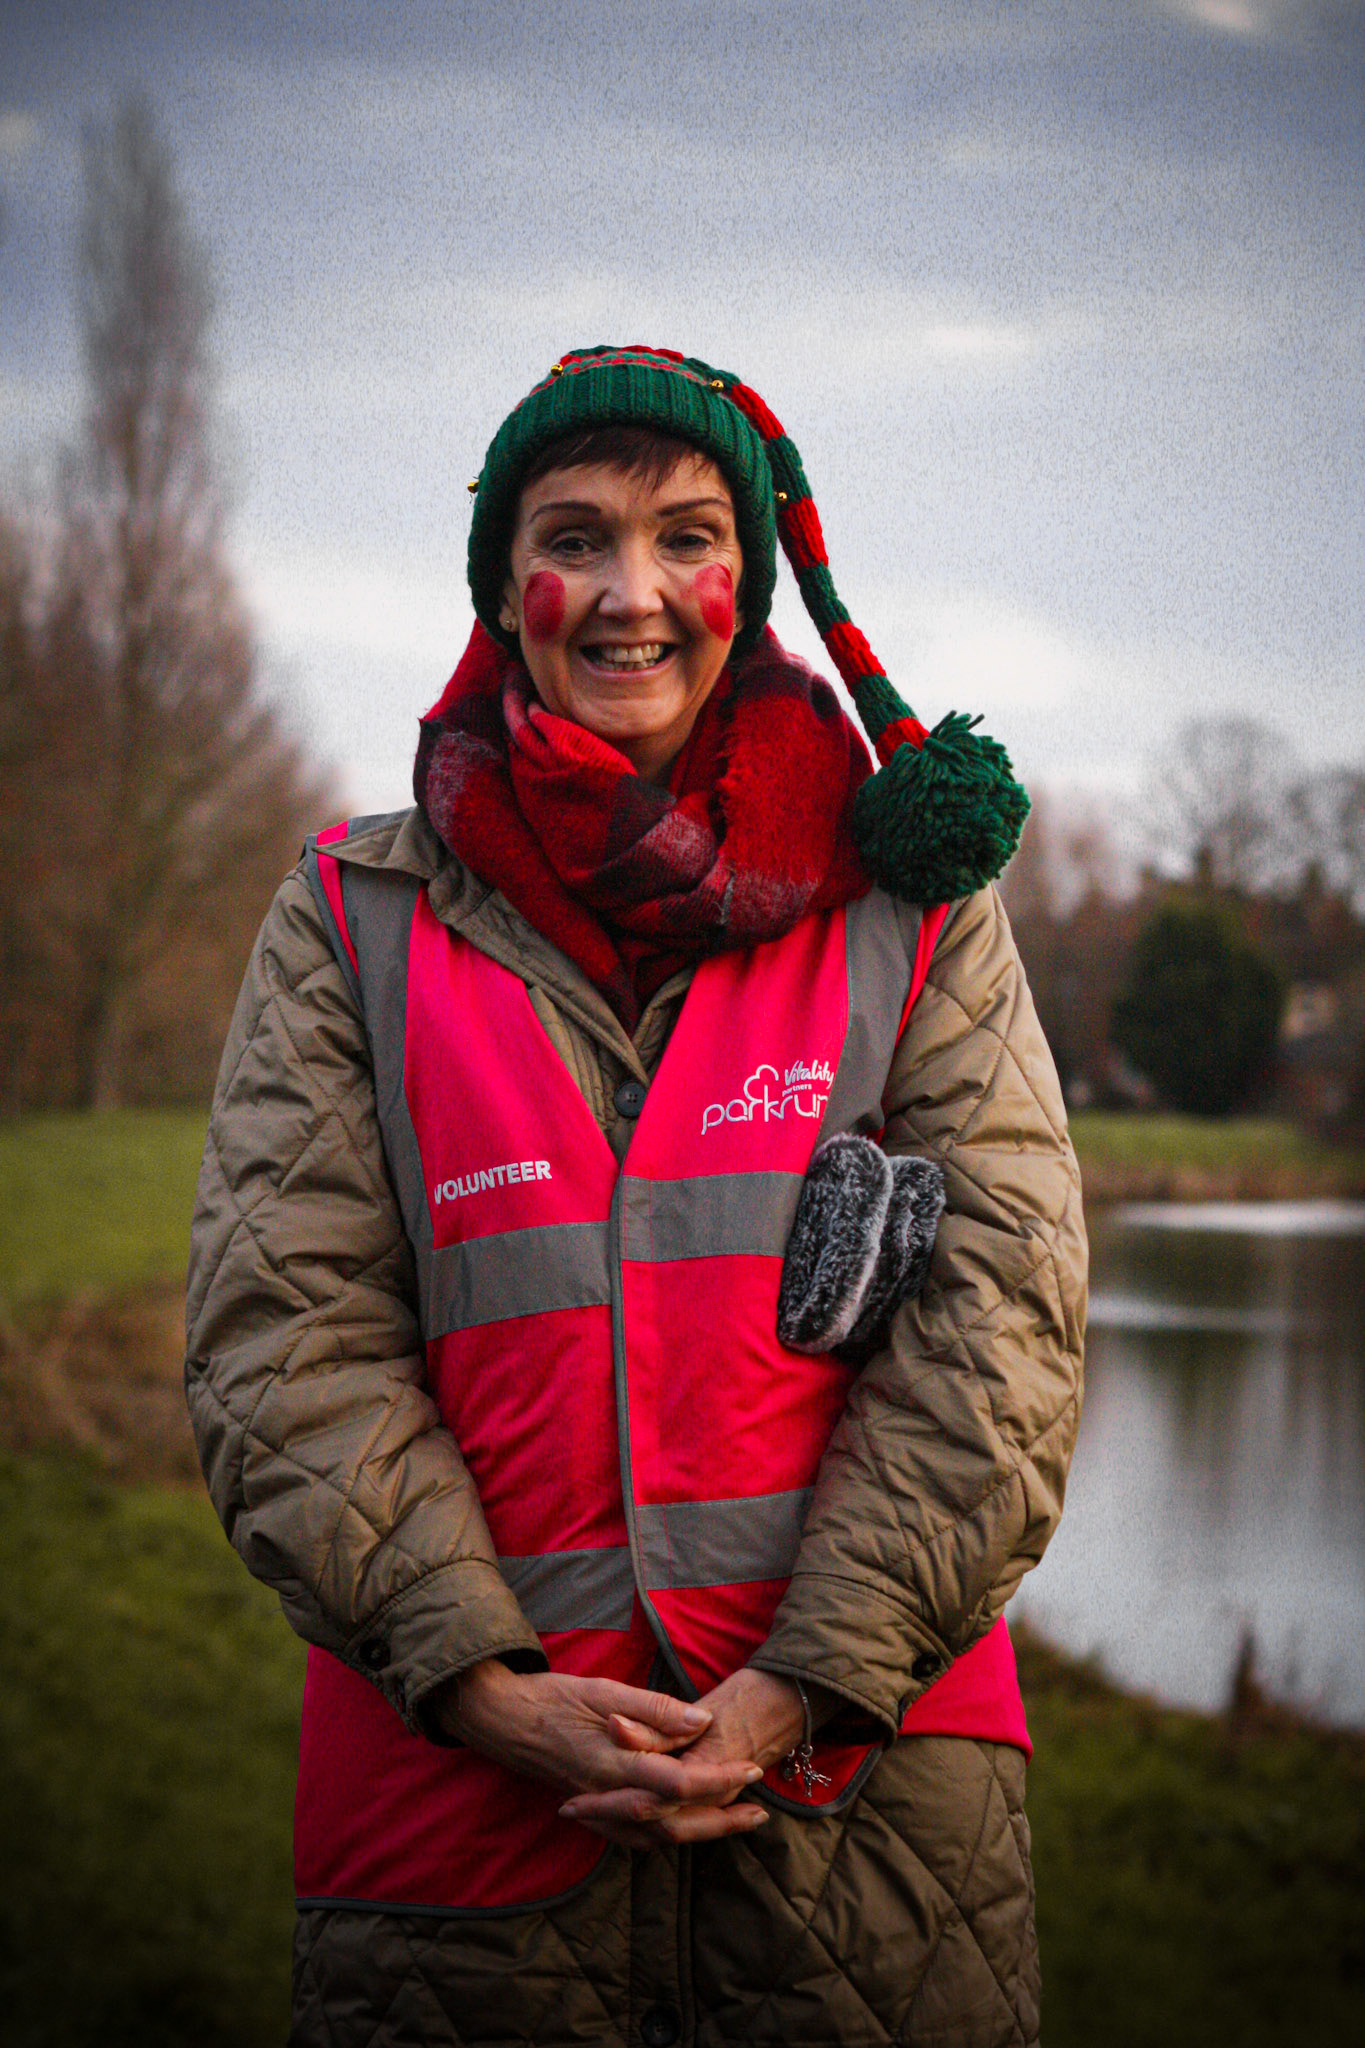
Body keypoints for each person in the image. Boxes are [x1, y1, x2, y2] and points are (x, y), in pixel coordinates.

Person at [185, 344, 1087, 2048]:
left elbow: (1007, 1337)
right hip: (458, 1822)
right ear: (498, 586)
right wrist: (487, 1689)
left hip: (864, 1821)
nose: (629, 595)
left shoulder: (915, 911)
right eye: (573, 535)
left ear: (745, 585)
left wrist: (802, 1687)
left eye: (683, 537)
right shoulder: (347, 916)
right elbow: (281, 1338)